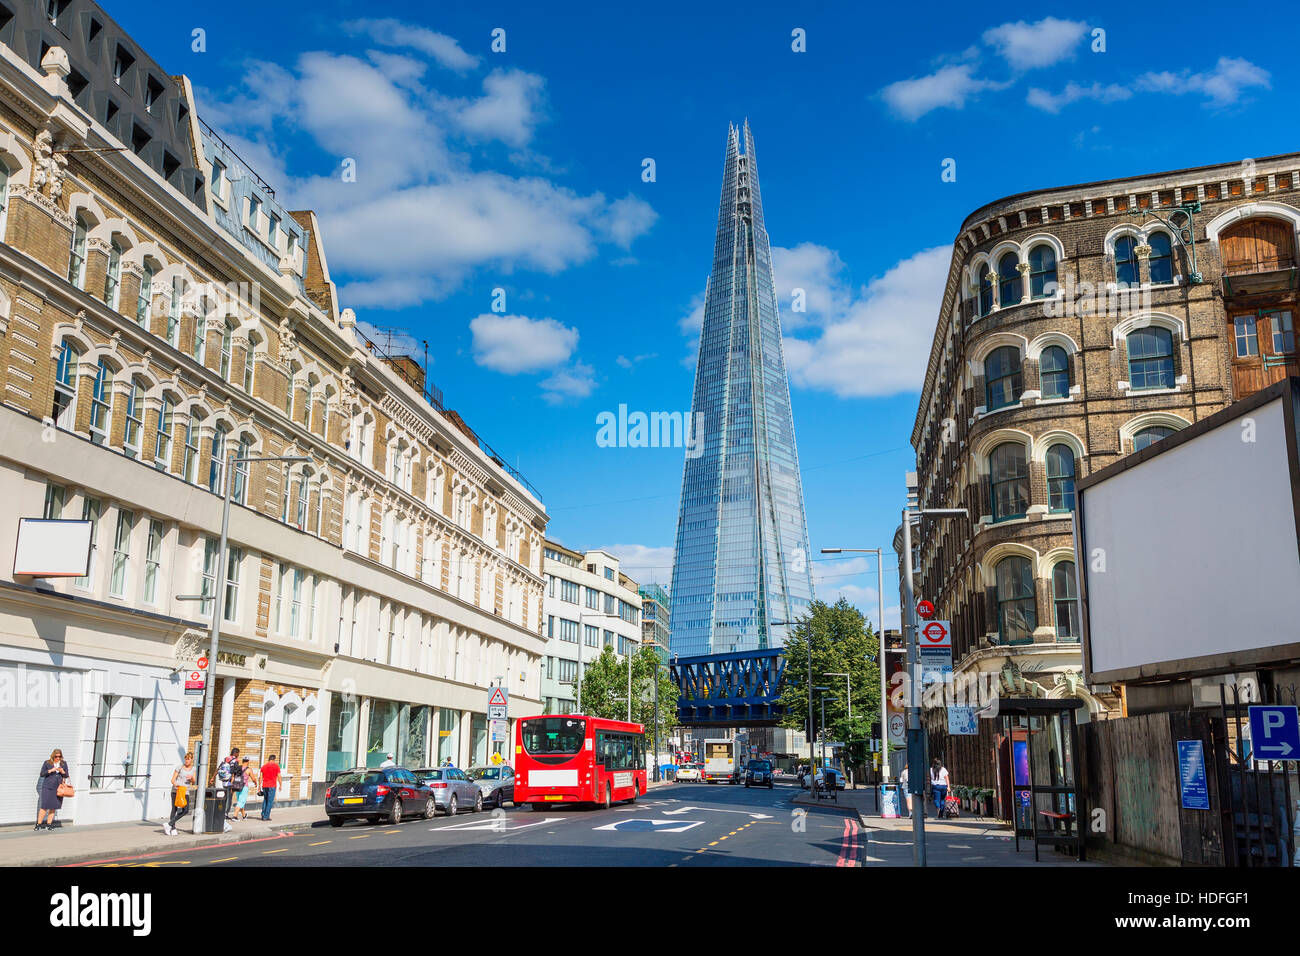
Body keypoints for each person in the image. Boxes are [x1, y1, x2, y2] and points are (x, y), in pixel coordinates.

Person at [36, 748, 70, 831]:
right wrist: (51, 770)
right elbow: (42, 774)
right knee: (44, 806)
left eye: (59, 756)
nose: (58, 758)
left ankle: (49, 824)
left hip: (58, 788)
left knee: (53, 806)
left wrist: (62, 772)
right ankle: (38, 824)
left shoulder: (63, 763)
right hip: (47, 787)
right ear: (53, 756)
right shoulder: (47, 763)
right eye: (56, 756)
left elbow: (66, 775)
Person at [166, 752, 197, 835]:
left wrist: (191, 779)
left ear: (191, 760)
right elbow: (172, 780)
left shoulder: (193, 769)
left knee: (186, 810)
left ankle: (169, 824)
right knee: (174, 809)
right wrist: (176, 784)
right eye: (186, 759)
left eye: (189, 759)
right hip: (176, 791)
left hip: (185, 791)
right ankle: (172, 828)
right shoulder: (179, 767)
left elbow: (194, 781)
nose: (187, 761)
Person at [260, 754, 282, 820]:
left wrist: (259, 786)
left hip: (264, 785)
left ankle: (263, 815)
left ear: (269, 759)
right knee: (270, 801)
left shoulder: (263, 766)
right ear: (274, 759)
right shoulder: (276, 767)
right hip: (272, 786)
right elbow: (279, 777)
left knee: (265, 800)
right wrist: (280, 785)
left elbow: (260, 777)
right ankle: (266, 816)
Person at [230, 756, 251, 821]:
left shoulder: (238, 768)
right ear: (248, 761)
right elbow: (253, 778)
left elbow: (233, 777)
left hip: (237, 786)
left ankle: (244, 815)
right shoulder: (248, 769)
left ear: (242, 761)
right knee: (241, 801)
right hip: (244, 787)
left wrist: (232, 786)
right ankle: (235, 816)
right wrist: (255, 783)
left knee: (240, 801)